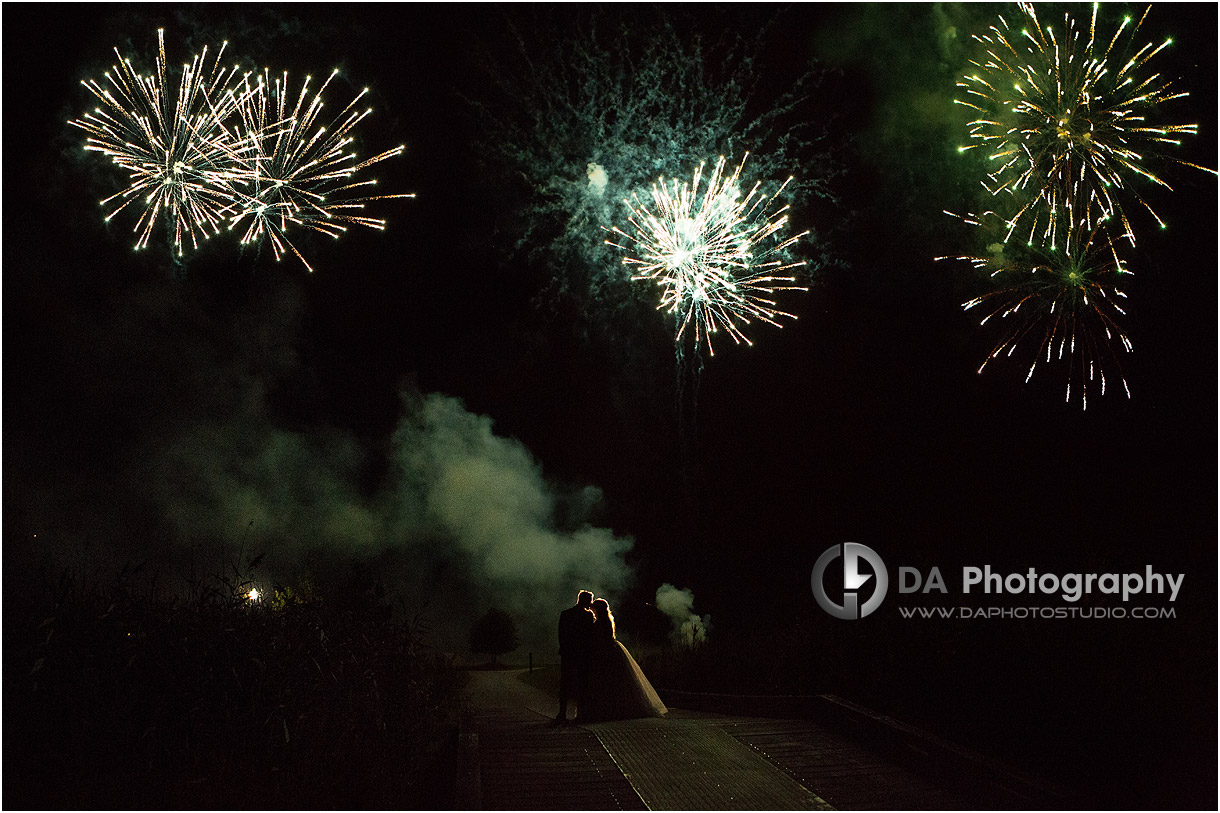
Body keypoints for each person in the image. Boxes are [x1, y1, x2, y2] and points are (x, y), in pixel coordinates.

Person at [577, 598, 667, 722]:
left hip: (604, 653)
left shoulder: (600, 622)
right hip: (609, 651)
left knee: (606, 681)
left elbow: (598, 638)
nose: (592, 611)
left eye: (594, 609)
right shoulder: (606, 620)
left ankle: (609, 709)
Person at [555, 589, 595, 724]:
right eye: (590, 600)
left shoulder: (565, 614)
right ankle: (580, 714)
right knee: (582, 684)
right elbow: (590, 637)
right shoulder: (588, 616)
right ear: (585, 600)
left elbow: (561, 635)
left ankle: (562, 713)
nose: (591, 603)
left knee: (565, 684)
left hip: (568, 654)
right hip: (582, 655)